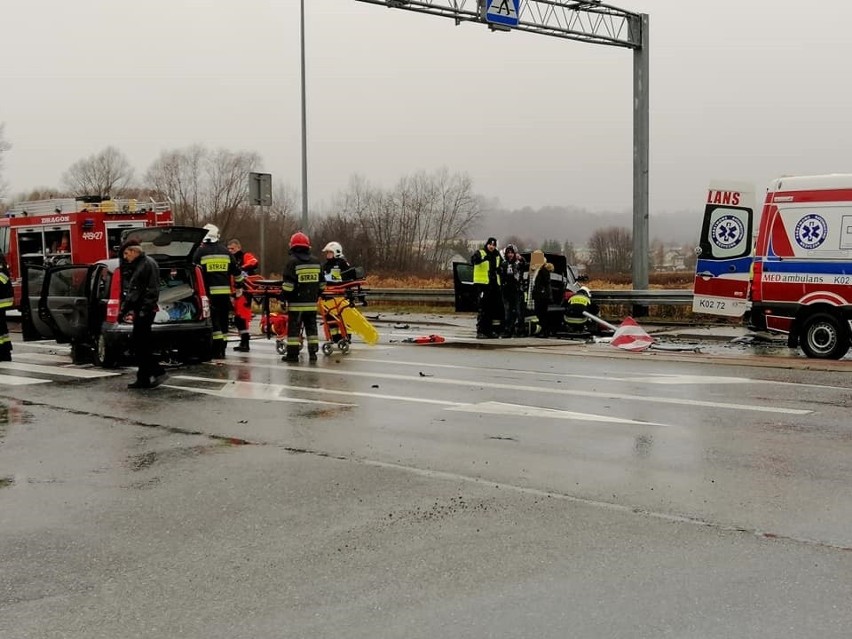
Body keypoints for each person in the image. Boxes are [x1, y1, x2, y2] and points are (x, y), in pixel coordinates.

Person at [119, 240, 167, 389]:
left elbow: (151, 290)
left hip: (145, 310)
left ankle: (158, 371)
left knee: (140, 344)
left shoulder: (147, 264)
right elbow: (134, 290)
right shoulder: (140, 265)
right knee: (140, 344)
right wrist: (125, 309)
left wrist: (144, 310)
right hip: (141, 308)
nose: (126, 257)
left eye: (126, 254)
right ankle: (143, 378)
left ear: (134, 251)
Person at [193, 224, 243, 358]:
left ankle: (216, 350)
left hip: (209, 295)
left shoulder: (200, 252)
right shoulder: (226, 252)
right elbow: (238, 273)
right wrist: (239, 287)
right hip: (224, 294)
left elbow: (193, 272)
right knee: (224, 321)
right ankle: (223, 349)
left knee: (214, 322)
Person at [280, 232, 324, 363]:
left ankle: (292, 356)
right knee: (312, 329)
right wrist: (316, 295)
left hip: (296, 305)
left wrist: (283, 298)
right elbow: (322, 284)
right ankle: (313, 353)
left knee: (294, 331)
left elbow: (288, 286)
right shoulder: (316, 262)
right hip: (311, 304)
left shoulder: (292, 263)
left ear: (293, 246)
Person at [227, 238, 259, 352]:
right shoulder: (228, 259)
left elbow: (254, 262)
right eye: (229, 249)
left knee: (241, 317)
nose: (231, 251)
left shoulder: (245, 256)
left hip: (244, 291)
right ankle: (243, 341)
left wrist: (241, 268)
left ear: (239, 248)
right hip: (233, 291)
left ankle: (245, 342)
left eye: (233, 248)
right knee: (237, 318)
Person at [471, 237, 503, 338]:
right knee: (483, 308)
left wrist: (500, 270)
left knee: (492, 309)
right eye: (490, 244)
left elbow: (501, 265)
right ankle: (480, 331)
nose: (492, 247)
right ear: (487, 244)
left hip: (493, 285)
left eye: (494, 245)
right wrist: (482, 259)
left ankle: (489, 331)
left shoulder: (497, 255)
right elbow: (473, 261)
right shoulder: (480, 252)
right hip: (482, 284)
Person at [500, 244, 525, 337]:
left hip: (517, 290)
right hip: (506, 291)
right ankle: (508, 330)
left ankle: (520, 330)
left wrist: (521, 259)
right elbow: (502, 276)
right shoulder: (504, 264)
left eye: (511, 252)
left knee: (518, 311)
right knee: (507, 312)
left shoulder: (518, 263)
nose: (510, 254)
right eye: (508, 253)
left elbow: (525, 265)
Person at [529, 250, 555, 337]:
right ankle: (541, 330)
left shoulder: (543, 269)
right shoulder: (535, 269)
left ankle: (545, 331)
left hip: (542, 296)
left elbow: (547, 283)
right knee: (538, 314)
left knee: (542, 314)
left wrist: (543, 291)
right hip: (537, 296)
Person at [0, 254, 13, 362]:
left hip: (1, 305)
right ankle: (5, 352)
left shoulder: (1, 273)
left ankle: (3, 352)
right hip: (2, 306)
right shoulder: (3, 271)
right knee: (3, 332)